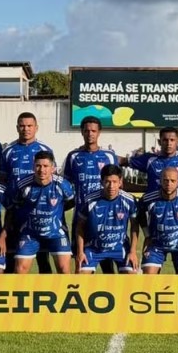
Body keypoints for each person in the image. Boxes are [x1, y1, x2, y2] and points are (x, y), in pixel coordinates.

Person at [0, 112, 55, 274]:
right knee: (11, 256)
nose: (25, 129)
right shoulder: (8, 151)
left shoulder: (45, 149)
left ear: (36, 128)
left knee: (43, 259)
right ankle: (11, 294)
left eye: (29, 126)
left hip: (40, 211)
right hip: (15, 212)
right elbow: (2, 179)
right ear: (17, 128)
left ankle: (45, 294)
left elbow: (51, 179)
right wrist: (6, 202)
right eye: (22, 125)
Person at [63, 116, 122, 273]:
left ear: (99, 132)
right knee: (81, 264)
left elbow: (117, 183)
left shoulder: (109, 156)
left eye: (93, 131)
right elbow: (66, 187)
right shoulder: (73, 156)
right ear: (82, 132)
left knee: (108, 267)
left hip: (105, 218)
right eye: (87, 130)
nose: (90, 134)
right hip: (81, 219)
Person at [6, 151, 75, 274]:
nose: (41, 170)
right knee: (19, 270)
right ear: (33, 167)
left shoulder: (63, 185)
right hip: (30, 233)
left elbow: (70, 202)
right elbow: (15, 206)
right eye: (38, 166)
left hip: (56, 233)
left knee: (64, 269)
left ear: (52, 168)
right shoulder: (23, 185)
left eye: (45, 166)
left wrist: (53, 211)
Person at [138, 167, 178, 275]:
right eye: (166, 180)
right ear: (160, 181)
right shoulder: (148, 198)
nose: (169, 184)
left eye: (172, 181)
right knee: (148, 276)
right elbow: (139, 212)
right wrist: (147, 235)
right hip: (156, 245)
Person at [75, 165, 140, 274]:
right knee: (81, 276)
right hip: (94, 248)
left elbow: (134, 226)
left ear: (120, 182)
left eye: (115, 182)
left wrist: (133, 251)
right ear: (101, 182)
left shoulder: (129, 200)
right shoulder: (89, 200)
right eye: (107, 182)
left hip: (120, 247)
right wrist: (80, 252)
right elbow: (79, 227)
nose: (111, 186)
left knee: (131, 276)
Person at [124, 126, 178, 192]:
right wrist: (145, 189)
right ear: (159, 142)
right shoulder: (149, 160)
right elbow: (121, 161)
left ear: (177, 141)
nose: (169, 143)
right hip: (155, 208)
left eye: (172, 140)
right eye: (165, 140)